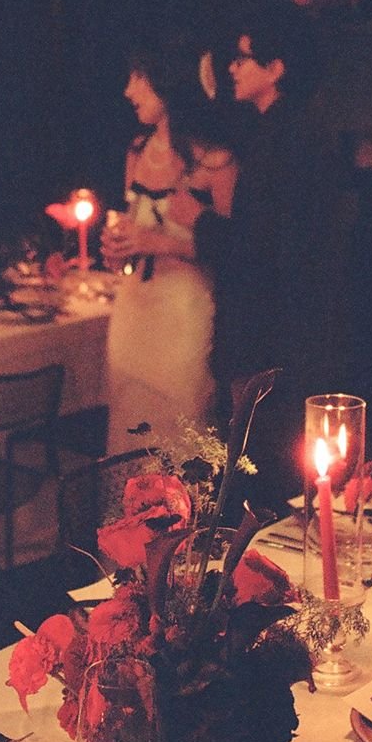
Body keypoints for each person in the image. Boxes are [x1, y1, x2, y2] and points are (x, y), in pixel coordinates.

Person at [190, 3, 350, 510]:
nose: (233, 67)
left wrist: (198, 221)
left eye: (244, 58)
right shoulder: (281, 129)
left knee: (256, 466)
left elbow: (262, 245)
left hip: (271, 329)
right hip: (282, 324)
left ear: (276, 67)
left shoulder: (289, 138)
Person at [101, 39, 237, 453]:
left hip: (182, 312)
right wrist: (118, 247)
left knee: (180, 434)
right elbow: (131, 229)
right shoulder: (137, 150)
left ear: (167, 82)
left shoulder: (215, 160)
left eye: (138, 78)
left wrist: (156, 240)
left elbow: (233, 249)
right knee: (128, 432)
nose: (129, 91)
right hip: (134, 309)